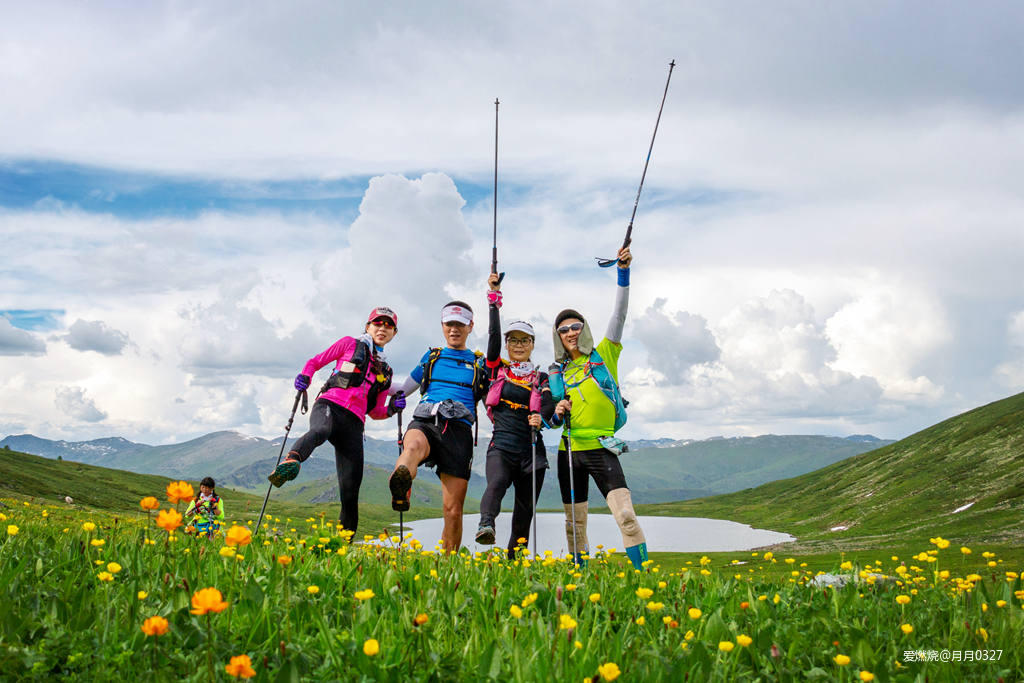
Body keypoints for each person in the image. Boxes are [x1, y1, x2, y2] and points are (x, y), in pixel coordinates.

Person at [550, 245, 649, 571]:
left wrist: (623, 272)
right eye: (563, 330)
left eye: (575, 326)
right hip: (568, 452)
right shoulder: (558, 372)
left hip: (602, 448)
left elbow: (619, 314)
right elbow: (552, 419)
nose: (570, 333)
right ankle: (579, 580)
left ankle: (644, 577)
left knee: (626, 517)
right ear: (558, 337)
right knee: (574, 526)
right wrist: (557, 411)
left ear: (585, 328)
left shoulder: (605, 353)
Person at [267, 307, 405, 535]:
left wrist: (391, 409)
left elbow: (375, 411)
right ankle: (290, 462)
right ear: (368, 326)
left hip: (354, 424)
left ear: (394, 333)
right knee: (321, 429)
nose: (382, 328)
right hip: (330, 405)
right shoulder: (350, 343)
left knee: (350, 493)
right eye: (377, 323)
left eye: (388, 325)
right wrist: (305, 376)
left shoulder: (386, 371)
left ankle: (343, 549)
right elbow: (315, 361)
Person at [388, 301, 488, 552]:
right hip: (426, 419)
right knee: (411, 448)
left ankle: (448, 564)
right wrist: (370, 379)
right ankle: (401, 486)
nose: (454, 329)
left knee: (453, 511)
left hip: (459, 430)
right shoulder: (431, 357)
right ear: (442, 326)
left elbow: (491, 402)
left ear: (470, 327)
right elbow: (402, 389)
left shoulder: (479, 364)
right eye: (449, 324)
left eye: (460, 324)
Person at [475, 273, 556, 558]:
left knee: (525, 511)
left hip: (533, 453)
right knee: (496, 484)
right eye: (514, 340)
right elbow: (493, 338)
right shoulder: (496, 369)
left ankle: (514, 562)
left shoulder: (542, 376)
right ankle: (486, 525)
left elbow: (548, 403)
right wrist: (493, 301)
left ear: (533, 344)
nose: (518, 345)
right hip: (502, 447)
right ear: (507, 345)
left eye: (525, 340)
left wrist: (541, 417)